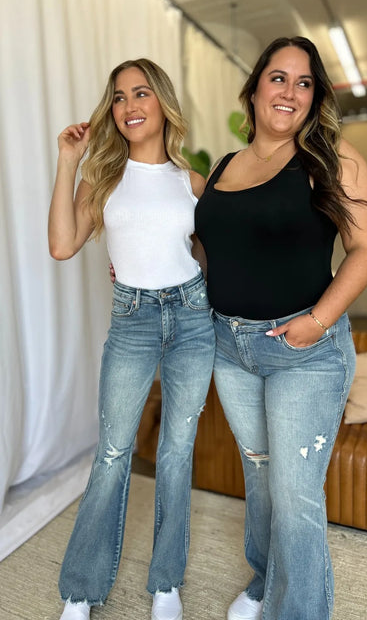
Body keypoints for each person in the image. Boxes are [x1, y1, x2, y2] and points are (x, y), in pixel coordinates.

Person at [194, 36, 367, 620]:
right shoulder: (223, 167)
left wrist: (317, 322)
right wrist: (153, 266)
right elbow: (213, 253)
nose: (290, 92)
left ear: (314, 97)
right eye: (279, 78)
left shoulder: (335, 159)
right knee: (259, 476)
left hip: (306, 350)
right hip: (231, 345)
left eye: (305, 83)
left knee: (295, 494)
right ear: (253, 90)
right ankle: (264, 581)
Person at [48, 58, 215, 620]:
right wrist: (68, 162)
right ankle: (80, 590)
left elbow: (208, 259)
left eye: (140, 93)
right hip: (133, 322)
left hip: (192, 320)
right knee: (114, 452)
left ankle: (166, 583)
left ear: (162, 102)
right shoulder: (103, 180)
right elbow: (62, 245)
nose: (128, 106)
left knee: (176, 453)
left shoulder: (193, 183)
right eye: (118, 97)